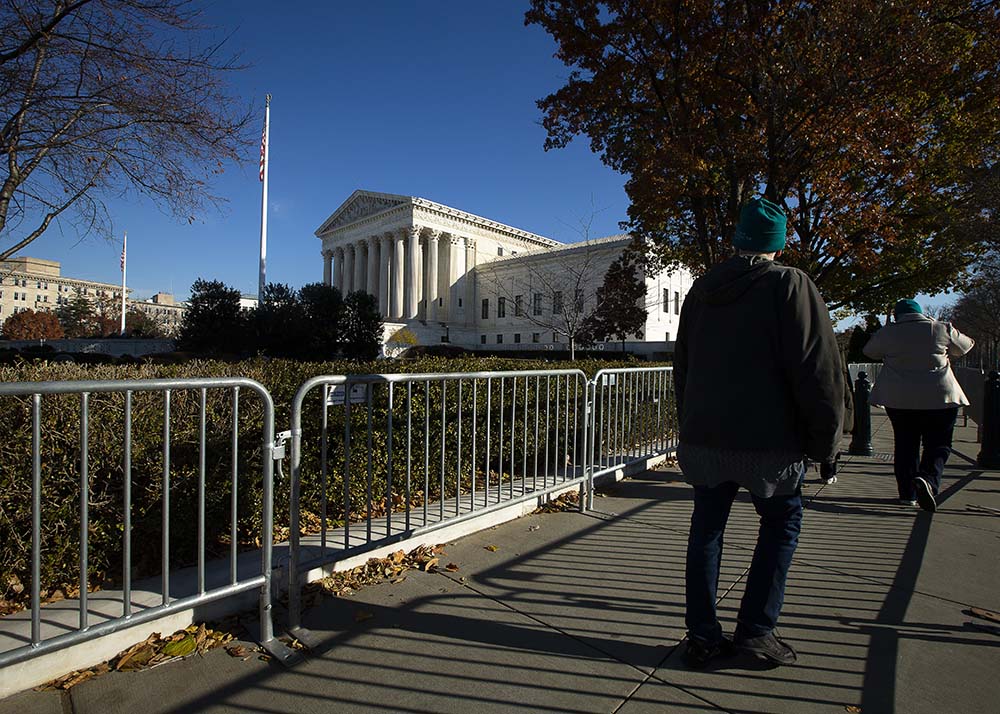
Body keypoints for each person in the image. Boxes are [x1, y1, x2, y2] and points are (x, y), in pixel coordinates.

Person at [673, 197, 844, 668]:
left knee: (706, 531)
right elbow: (819, 371)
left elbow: (682, 368)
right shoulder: (790, 285)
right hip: (770, 440)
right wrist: (826, 441)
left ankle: (703, 636)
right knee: (781, 525)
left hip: (707, 436)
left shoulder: (702, 290)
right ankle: (755, 631)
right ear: (778, 243)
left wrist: (690, 424)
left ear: (736, 239)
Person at [863, 300, 974, 512]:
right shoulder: (941, 328)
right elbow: (966, 346)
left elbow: (870, 352)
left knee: (905, 446)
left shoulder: (889, 332)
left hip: (900, 399)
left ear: (898, 315)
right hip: (940, 397)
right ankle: (929, 479)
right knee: (939, 444)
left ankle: (907, 494)